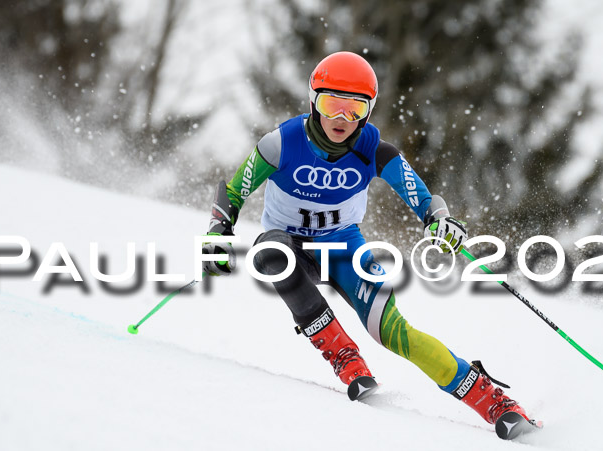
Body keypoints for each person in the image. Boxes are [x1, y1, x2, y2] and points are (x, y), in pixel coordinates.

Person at [202, 51, 537, 436]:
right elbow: (233, 191)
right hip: (290, 244)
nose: (341, 119)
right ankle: (347, 359)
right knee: (271, 252)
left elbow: (424, 200)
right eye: (331, 105)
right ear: (313, 101)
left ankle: (492, 401)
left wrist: (442, 222)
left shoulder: (374, 151)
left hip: (344, 248)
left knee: (392, 332)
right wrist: (218, 233)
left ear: (368, 111)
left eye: (355, 108)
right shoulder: (281, 143)